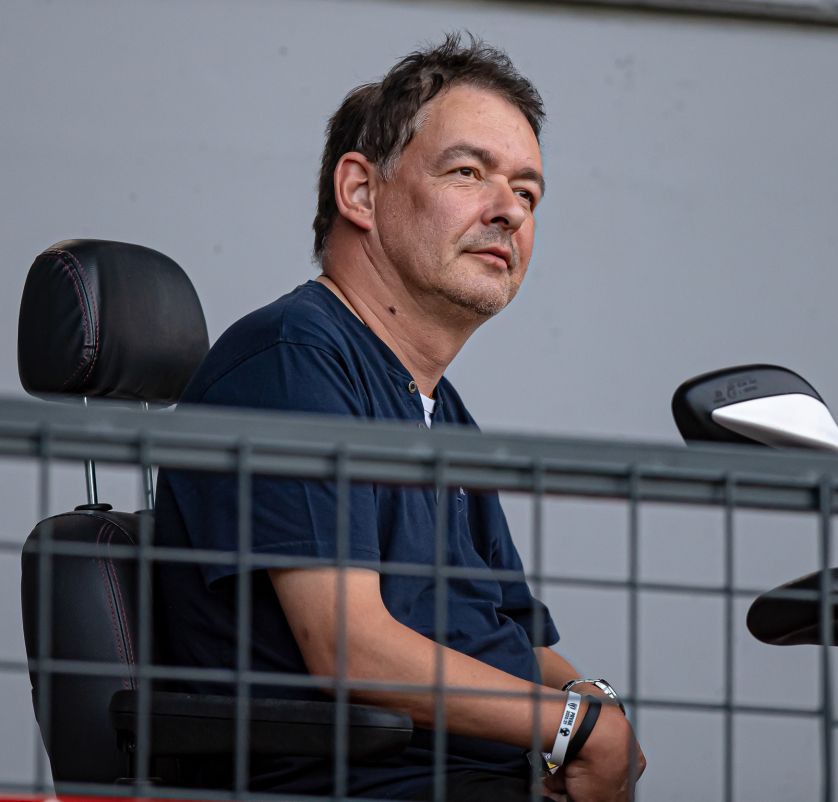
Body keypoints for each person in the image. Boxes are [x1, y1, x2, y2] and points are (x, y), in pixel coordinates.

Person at [153, 34, 645, 801]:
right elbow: (350, 649)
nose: (509, 211)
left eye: (528, 192)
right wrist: (575, 730)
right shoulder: (291, 362)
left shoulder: (440, 409)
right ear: (361, 192)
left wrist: (595, 707)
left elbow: (516, 636)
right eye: (468, 172)